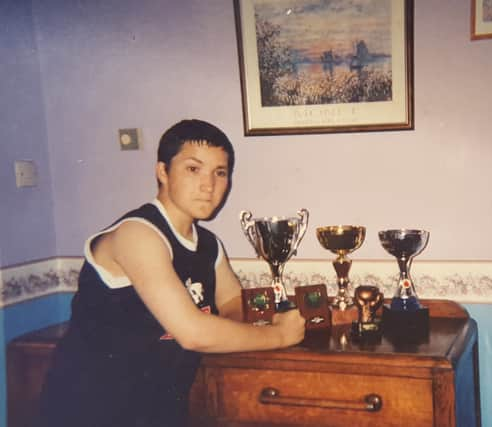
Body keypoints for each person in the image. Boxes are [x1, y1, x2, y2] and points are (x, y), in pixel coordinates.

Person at [37, 119, 306, 427]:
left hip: (156, 409)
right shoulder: (137, 234)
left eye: (220, 172)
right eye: (193, 169)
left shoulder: (207, 244)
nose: (209, 185)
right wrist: (278, 334)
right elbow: (192, 333)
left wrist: (244, 326)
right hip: (89, 411)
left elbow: (233, 303)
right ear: (162, 172)